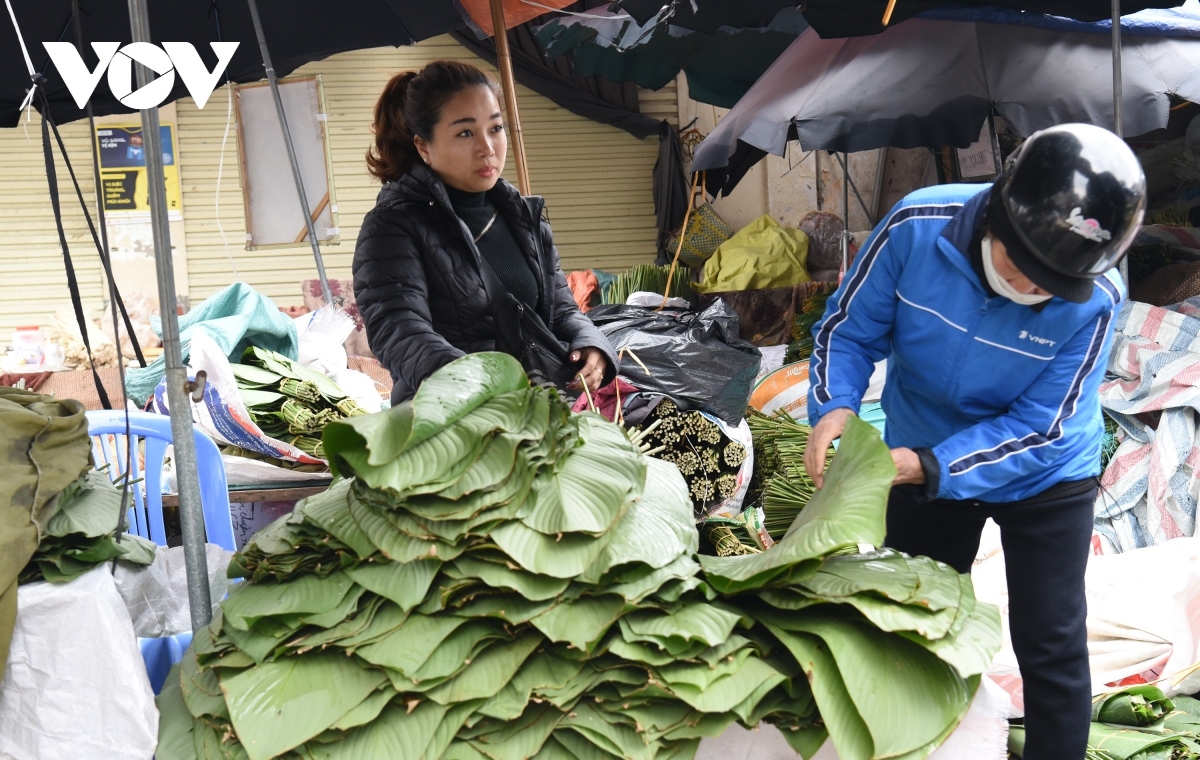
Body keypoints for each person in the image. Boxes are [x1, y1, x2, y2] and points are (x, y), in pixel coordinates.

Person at [804, 124, 1146, 760]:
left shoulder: (1097, 297)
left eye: (1054, 284)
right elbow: (848, 333)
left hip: (1043, 470)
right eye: (1026, 268)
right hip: (920, 444)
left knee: (1050, 639)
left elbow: (1040, 427)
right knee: (908, 624)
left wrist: (929, 467)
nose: (1034, 291)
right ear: (995, 214)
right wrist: (834, 409)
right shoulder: (914, 227)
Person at [353, 61, 616, 404]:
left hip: (540, 414)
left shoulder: (524, 218)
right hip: (451, 422)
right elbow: (400, 332)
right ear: (424, 146)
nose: (487, 147)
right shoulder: (393, 226)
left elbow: (561, 311)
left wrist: (592, 345)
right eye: (465, 133)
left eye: (495, 128)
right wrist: (483, 385)